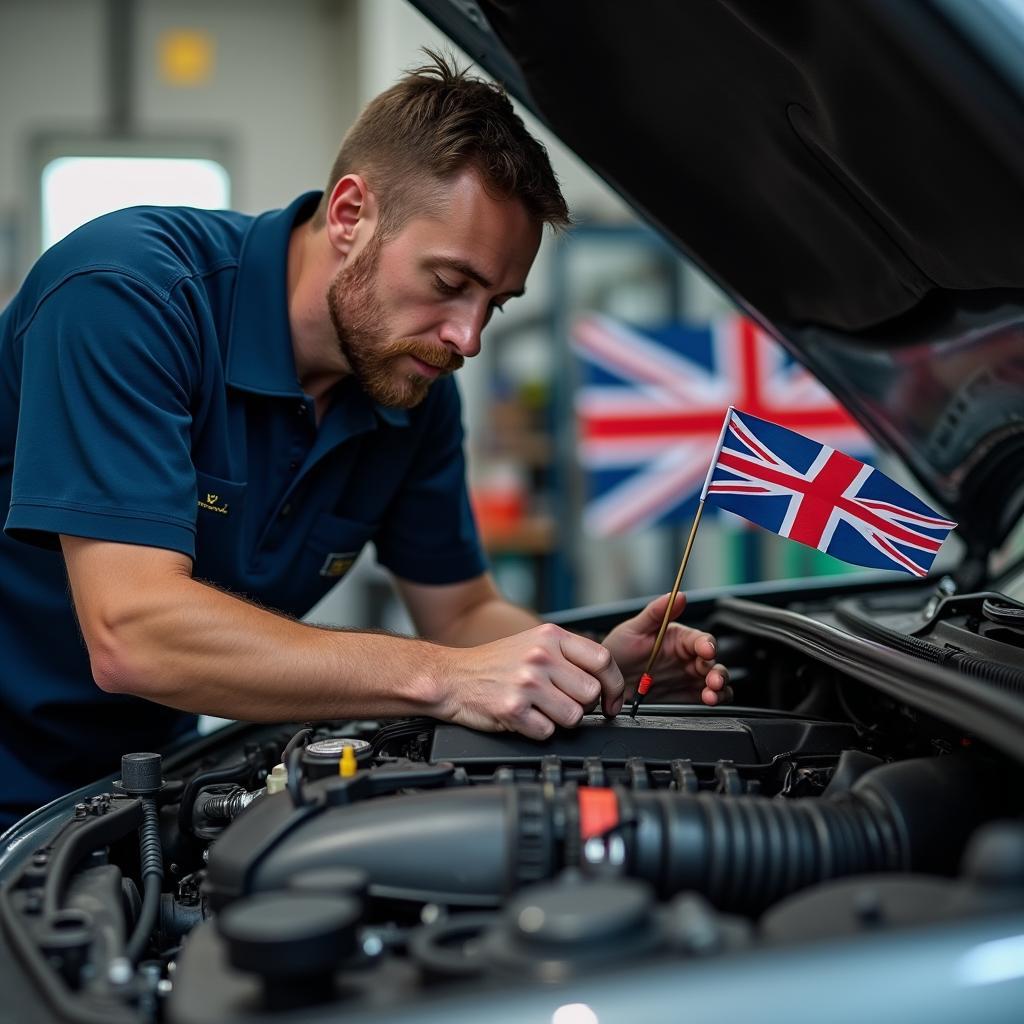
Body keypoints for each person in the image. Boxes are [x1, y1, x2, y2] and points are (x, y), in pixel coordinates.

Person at [0, 52, 729, 831]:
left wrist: (581, 666)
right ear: (351, 215)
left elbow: (460, 612)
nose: (468, 338)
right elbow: (132, 634)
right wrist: (441, 679)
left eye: (497, 305)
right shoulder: (127, 297)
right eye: (450, 284)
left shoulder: (411, 391)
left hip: (138, 781)